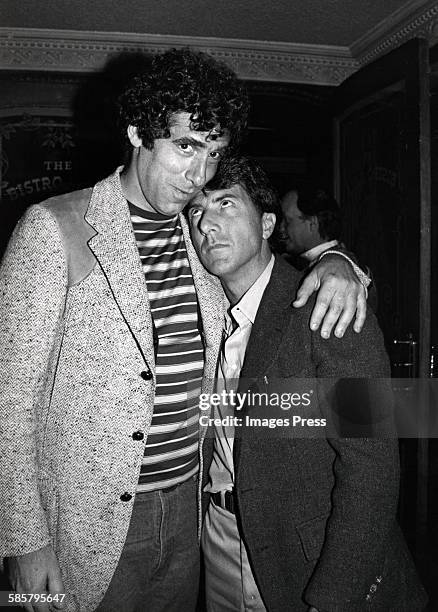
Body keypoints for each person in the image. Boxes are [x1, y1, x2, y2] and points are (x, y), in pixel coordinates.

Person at [0, 49, 368, 612]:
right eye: (186, 146)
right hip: (81, 523)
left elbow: (264, 277)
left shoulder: (200, 238)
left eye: (213, 153)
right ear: (136, 133)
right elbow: (10, 398)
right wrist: (23, 544)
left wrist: (337, 262)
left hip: (192, 514)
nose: (199, 175)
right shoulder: (53, 228)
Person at [187, 156, 427, 612]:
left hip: (307, 556)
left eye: (226, 204)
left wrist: (337, 592)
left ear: (267, 224)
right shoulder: (204, 310)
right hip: (216, 547)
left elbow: (372, 463)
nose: (207, 224)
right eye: (197, 211)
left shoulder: (328, 305)